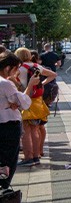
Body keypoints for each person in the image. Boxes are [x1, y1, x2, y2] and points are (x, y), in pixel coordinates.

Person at [13, 47, 55, 166]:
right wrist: (42, 83)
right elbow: (53, 74)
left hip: (25, 99)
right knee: (35, 129)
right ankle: (36, 156)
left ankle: (28, 157)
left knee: (25, 130)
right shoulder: (37, 66)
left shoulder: (19, 68)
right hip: (37, 101)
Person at [0, 51, 35, 191]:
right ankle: (4, 190)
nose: (17, 72)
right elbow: (24, 103)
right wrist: (30, 85)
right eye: (16, 69)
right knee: (7, 161)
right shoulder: (6, 84)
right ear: (8, 68)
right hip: (8, 126)